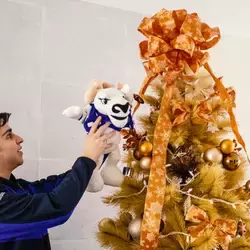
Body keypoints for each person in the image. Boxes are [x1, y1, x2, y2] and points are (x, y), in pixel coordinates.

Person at [0, 112, 115, 250]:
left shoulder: (15, 189)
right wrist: (87, 159)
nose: (19, 139)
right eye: (9, 135)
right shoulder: (4, 204)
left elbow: (56, 186)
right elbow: (57, 206)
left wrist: (95, 156)